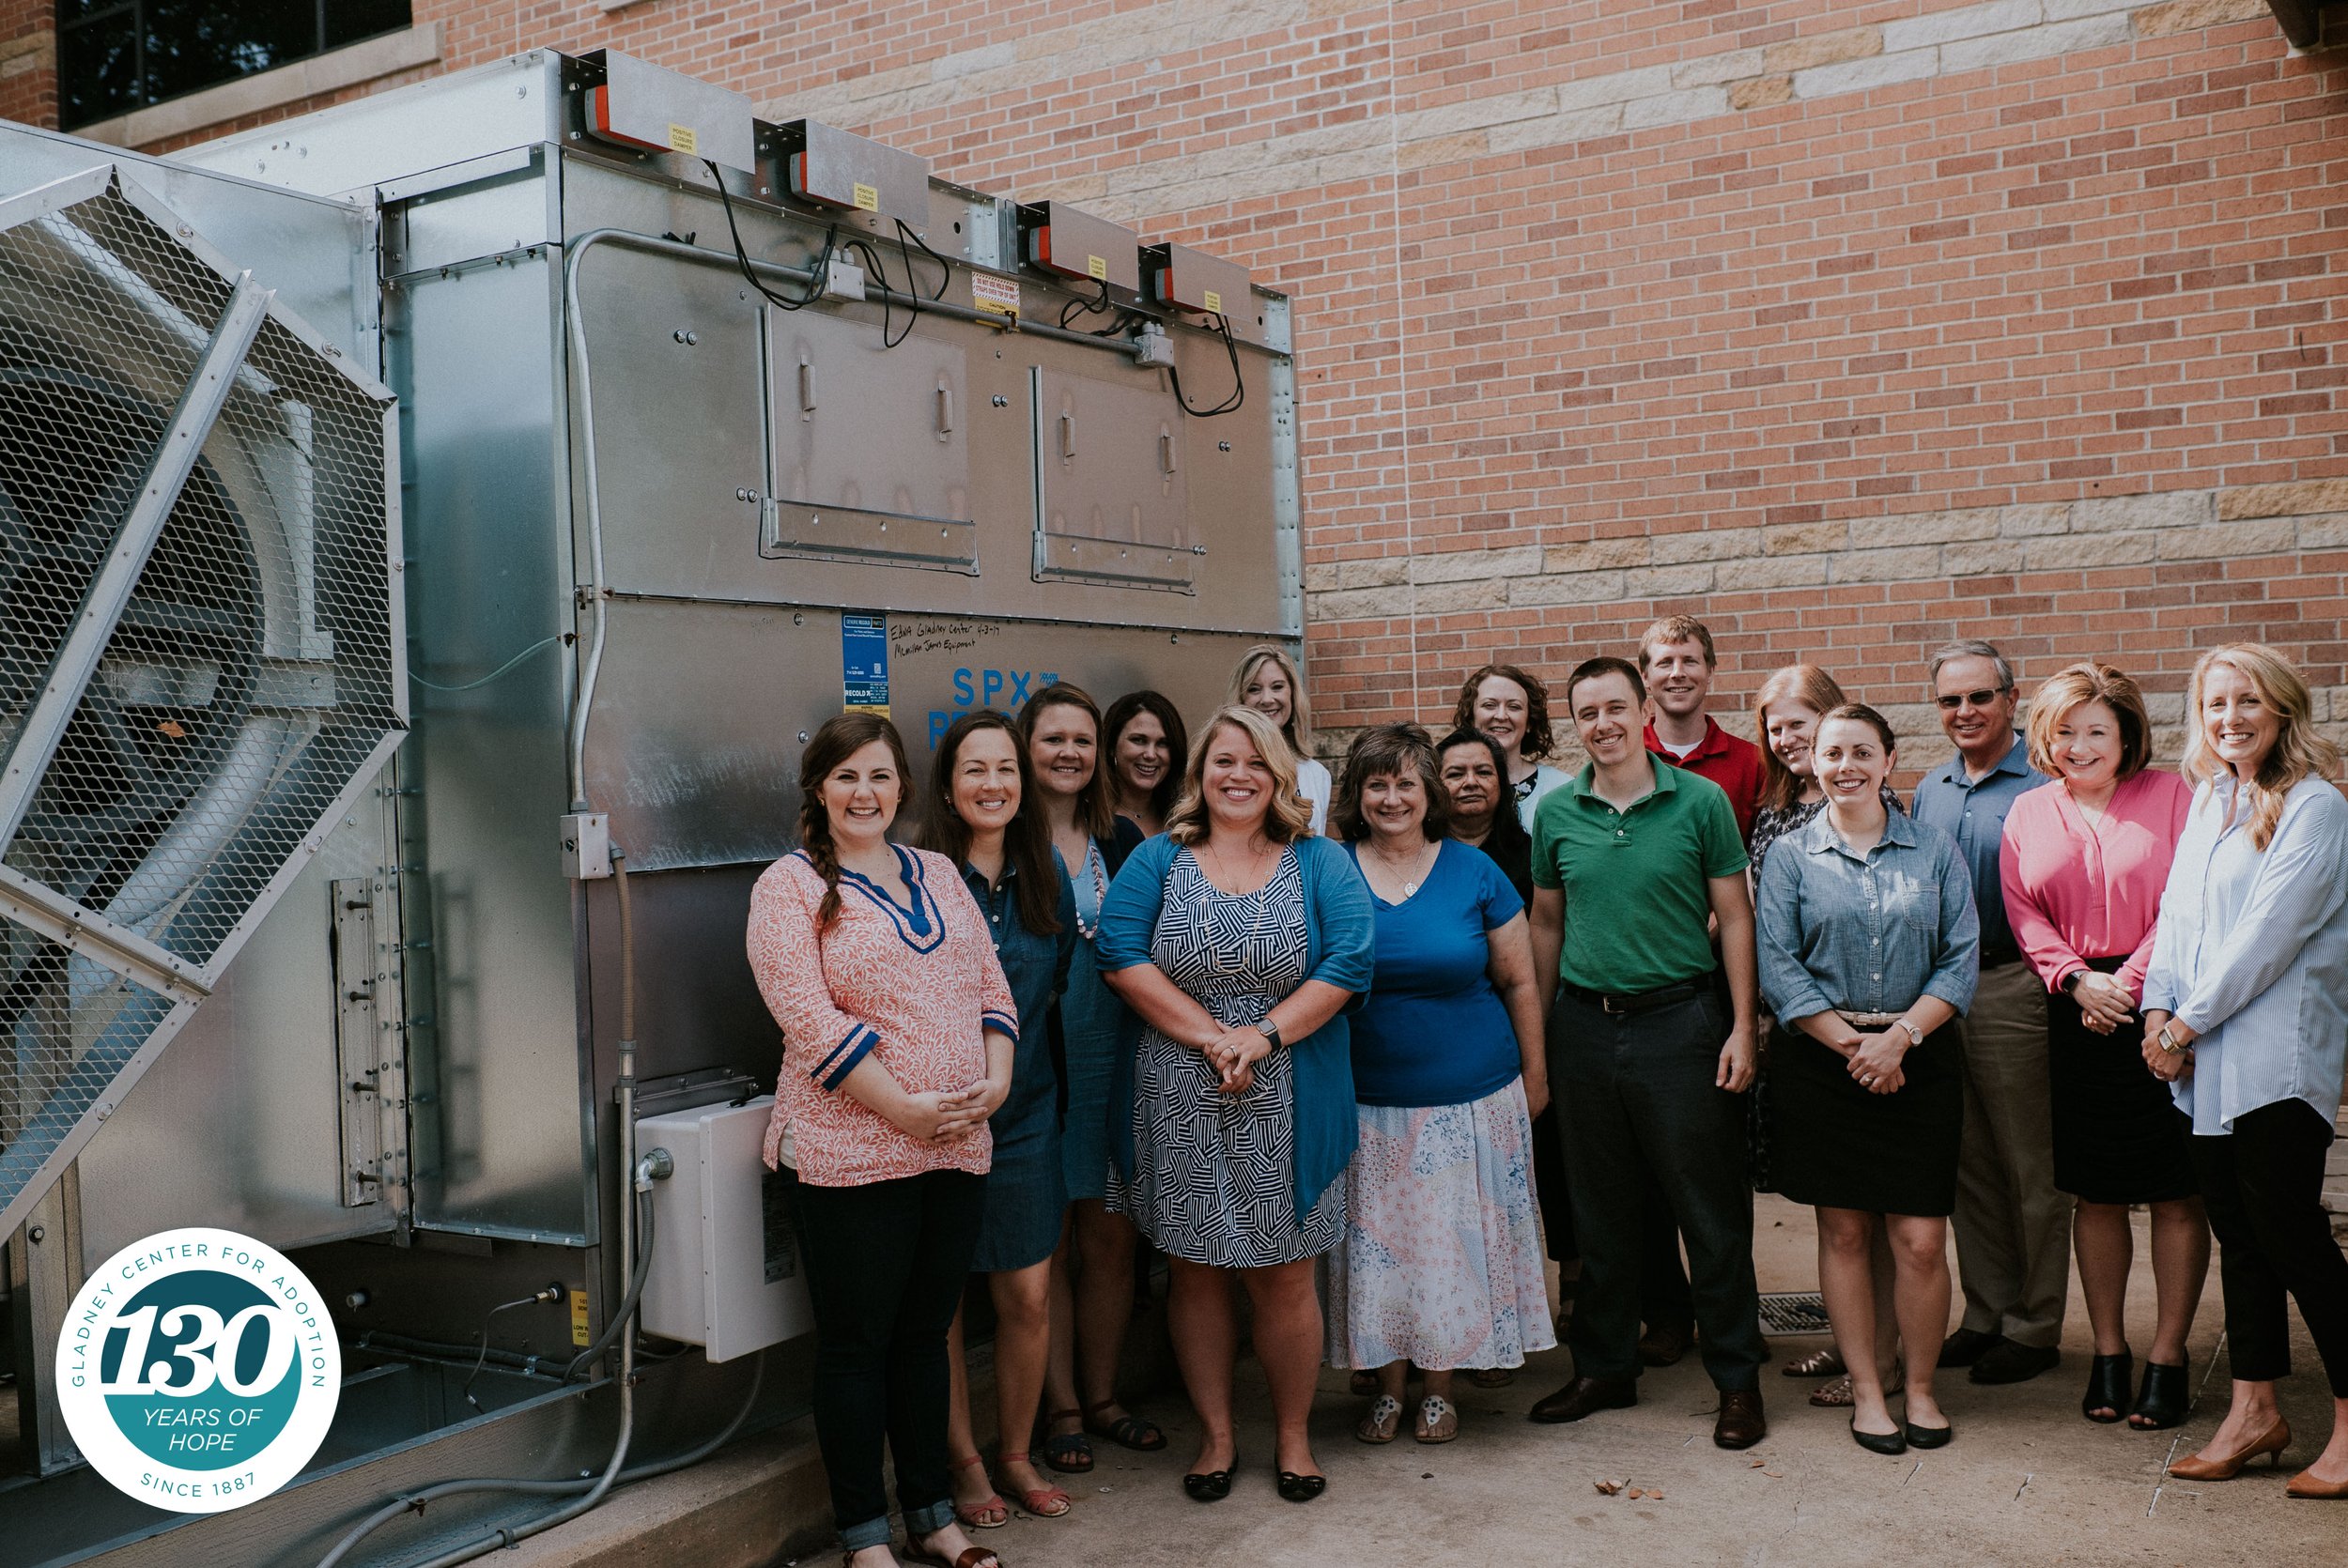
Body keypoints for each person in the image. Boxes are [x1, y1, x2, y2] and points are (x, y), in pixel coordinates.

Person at [749, 713, 1015, 1568]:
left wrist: (997, 1080)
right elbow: (808, 1021)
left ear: (903, 786)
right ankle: (867, 1536)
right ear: (818, 791)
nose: (865, 794)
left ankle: (933, 1515)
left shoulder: (937, 870)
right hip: (850, 1152)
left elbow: (990, 988)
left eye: (879, 777)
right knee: (858, 1347)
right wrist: (899, 1108)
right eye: (846, 778)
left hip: (954, 1146)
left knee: (925, 1337)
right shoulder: (785, 889)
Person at [1097, 705, 1374, 1503]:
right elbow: (1119, 950)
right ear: (1200, 773)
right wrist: (1216, 1038)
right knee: (1195, 1274)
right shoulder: (1157, 859)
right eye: (1223, 760)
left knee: (1286, 1276)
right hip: (1178, 1093)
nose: (1238, 775)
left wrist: (1263, 1037)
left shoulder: (1318, 862)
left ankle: (1291, 1437)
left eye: (1256, 762)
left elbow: (1351, 959)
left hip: (1289, 1094)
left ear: (1280, 775)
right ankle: (1217, 1437)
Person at [1523, 657, 1769, 1451]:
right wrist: (1543, 1041)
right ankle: (1605, 1368)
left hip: (1683, 1025)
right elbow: (1547, 927)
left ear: (1642, 712)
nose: (1603, 724)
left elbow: (1733, 918)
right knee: (1601, 1211)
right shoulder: (1557, 814)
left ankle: (1735, 1381)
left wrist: (1741, 1026)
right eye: (1586, 712)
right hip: (1586, 1029)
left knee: (1711, 1213)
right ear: (1575, 724)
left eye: (1614, 707)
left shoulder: (1698, 802)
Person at [2145, 644, 2348, 1499]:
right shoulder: (2208, 800)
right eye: (2216, 703)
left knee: (2293, 1235)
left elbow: (2268, 935)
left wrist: (2183, 1022)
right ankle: (2254, 1411)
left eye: (2247, 701)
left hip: (2278, 1058)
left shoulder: (2317, 807)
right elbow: (2178, 919)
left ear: (2284, 708)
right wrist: (2158, 1008)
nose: (2230, 718)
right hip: (2205, 1067)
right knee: (2240, 1236)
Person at [1755, 704, 1980, 1455]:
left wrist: (1900, 1041)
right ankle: (1867, 1391)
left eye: (1861, 751)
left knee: (1919, 1237)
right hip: (1823, 1061)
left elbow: (1960, 958)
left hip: (1921, 1054)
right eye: (1831, 753)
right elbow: (1779, 965)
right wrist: (1855, 1045)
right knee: (1845, 1230)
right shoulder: (1790, 856)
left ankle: (1919, 1387)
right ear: (1811, 764)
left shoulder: (1935, 849)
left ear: (1889, 760)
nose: (1845, 765)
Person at [1325, 725, 1553, 1444]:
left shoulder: (1474, 872)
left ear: (1429, 794)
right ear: (1358, 796)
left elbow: (1519, 980)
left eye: (1406, 783)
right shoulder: (1328, 870)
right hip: (1365, 1100)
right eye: (1377, 784)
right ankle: (1388, 1389)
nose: (1392, 798)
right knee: (1382, 1252)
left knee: (1450, 1250)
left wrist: (1535, 1077)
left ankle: (1440, 1388)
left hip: (1472, 1098)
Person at [2000, 663, 2206, 1429]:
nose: (2079, 745)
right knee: (2097, 1191)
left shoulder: (2174, 798)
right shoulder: (2026, 812)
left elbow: (2188, 900)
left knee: (2176, 1190)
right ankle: (2112, 1353)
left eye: (2096, 731)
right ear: (2045, 740)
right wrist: (2077, 981)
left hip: (2163, 1003)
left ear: (2126, 735)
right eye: (2065, 732)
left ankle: (2170, 1355)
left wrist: (2131, 985)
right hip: (2073, 1004)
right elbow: (2023, 911)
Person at [922, 713, 1079, 1529]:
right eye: (975, 770)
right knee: (942, 1303)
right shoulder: (917, 877)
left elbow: (1055, 989)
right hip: (936, 1121)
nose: (993, 784)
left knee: (1025, 1294)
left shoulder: (1044, 869)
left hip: (1024, 1114)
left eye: (1006, 769)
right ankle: (964, 1463)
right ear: (948, 785)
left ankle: (1015, 1452)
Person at [1749, 664, 1904, 1409]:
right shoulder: (1774, 811)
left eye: (1799, 725)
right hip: (1800, 1028)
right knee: (1836, 1210)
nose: (1788, 740)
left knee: (1877, 1210)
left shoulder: (1874, 806)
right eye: (1774, 728)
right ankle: (1852, 1343)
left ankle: (1885, 1354)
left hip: (1877, 1032)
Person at [1913, 639, 2064, 1386]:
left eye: (1979, 697)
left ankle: (2035, 1325)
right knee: (1967, 1163)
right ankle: (1985, 1312)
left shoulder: (2043, 787)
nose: (1965, 712)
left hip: (2011, 989)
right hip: (1941, 996)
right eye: (1950, 700)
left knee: (2028, 1165)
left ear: (2012, 699)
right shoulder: (1929, 789)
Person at [1017, 684, 1160, 1473]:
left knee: (1111, 1238)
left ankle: (1104, 1399)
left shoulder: (1125, 836)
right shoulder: (1003, 837)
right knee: (1052, 1238)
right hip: (1039, 1066)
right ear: (1025, 748)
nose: (1069, 752)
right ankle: (1063, 1407)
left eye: (1081, 739)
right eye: (1052, 739)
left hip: (1119, 1058)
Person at [1440, 725, 1573, 1338]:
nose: (1470, 783)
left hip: (1538, 1022)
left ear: (1505, 784)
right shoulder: (1421, 855)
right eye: (1456, 773)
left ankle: (1572, 1284)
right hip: (1454, 1040)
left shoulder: (1534, 850)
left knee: (1555, 1166)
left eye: (1483, 772)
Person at [1641, 614, 1767, 838]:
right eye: (1665, 663)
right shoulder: (1627, 755)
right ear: (1645, 677)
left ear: (1710, 672)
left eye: (1690, 661)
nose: (1677, 673)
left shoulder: (1753, 763)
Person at [1449, 662, 1570, 828]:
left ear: (1529, 721)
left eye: (1514, 707)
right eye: (1489, 705)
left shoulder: (1560, 788)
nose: (1501, 716)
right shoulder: (1447, 788)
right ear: (1471, 717)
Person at [1231, 643, 1330, 834]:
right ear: (1241, 699)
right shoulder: (1227, 770)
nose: (1267, 699)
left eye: (1277, 687)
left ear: (1292, 694)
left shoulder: (1317, 774)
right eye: (1254, 689)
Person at [1103, 689, 1190, 839]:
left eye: (1163, 743)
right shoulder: (1089, 818)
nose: (1150, 754)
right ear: (1111, 746)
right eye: (1138, 740)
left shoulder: (1184, 820)